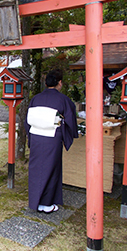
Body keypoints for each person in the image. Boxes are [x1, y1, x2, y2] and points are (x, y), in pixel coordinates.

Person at [24, 69, 78, 213]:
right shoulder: (63, 100)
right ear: (59, 83)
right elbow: (71, 120)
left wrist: (30, 137)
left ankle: (35, 202)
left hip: (36, 137)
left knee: (36, 170)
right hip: (52, 138)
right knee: (51, 169)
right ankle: (46, 204)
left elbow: (27, 121)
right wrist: (70, 133)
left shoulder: (35, 99)